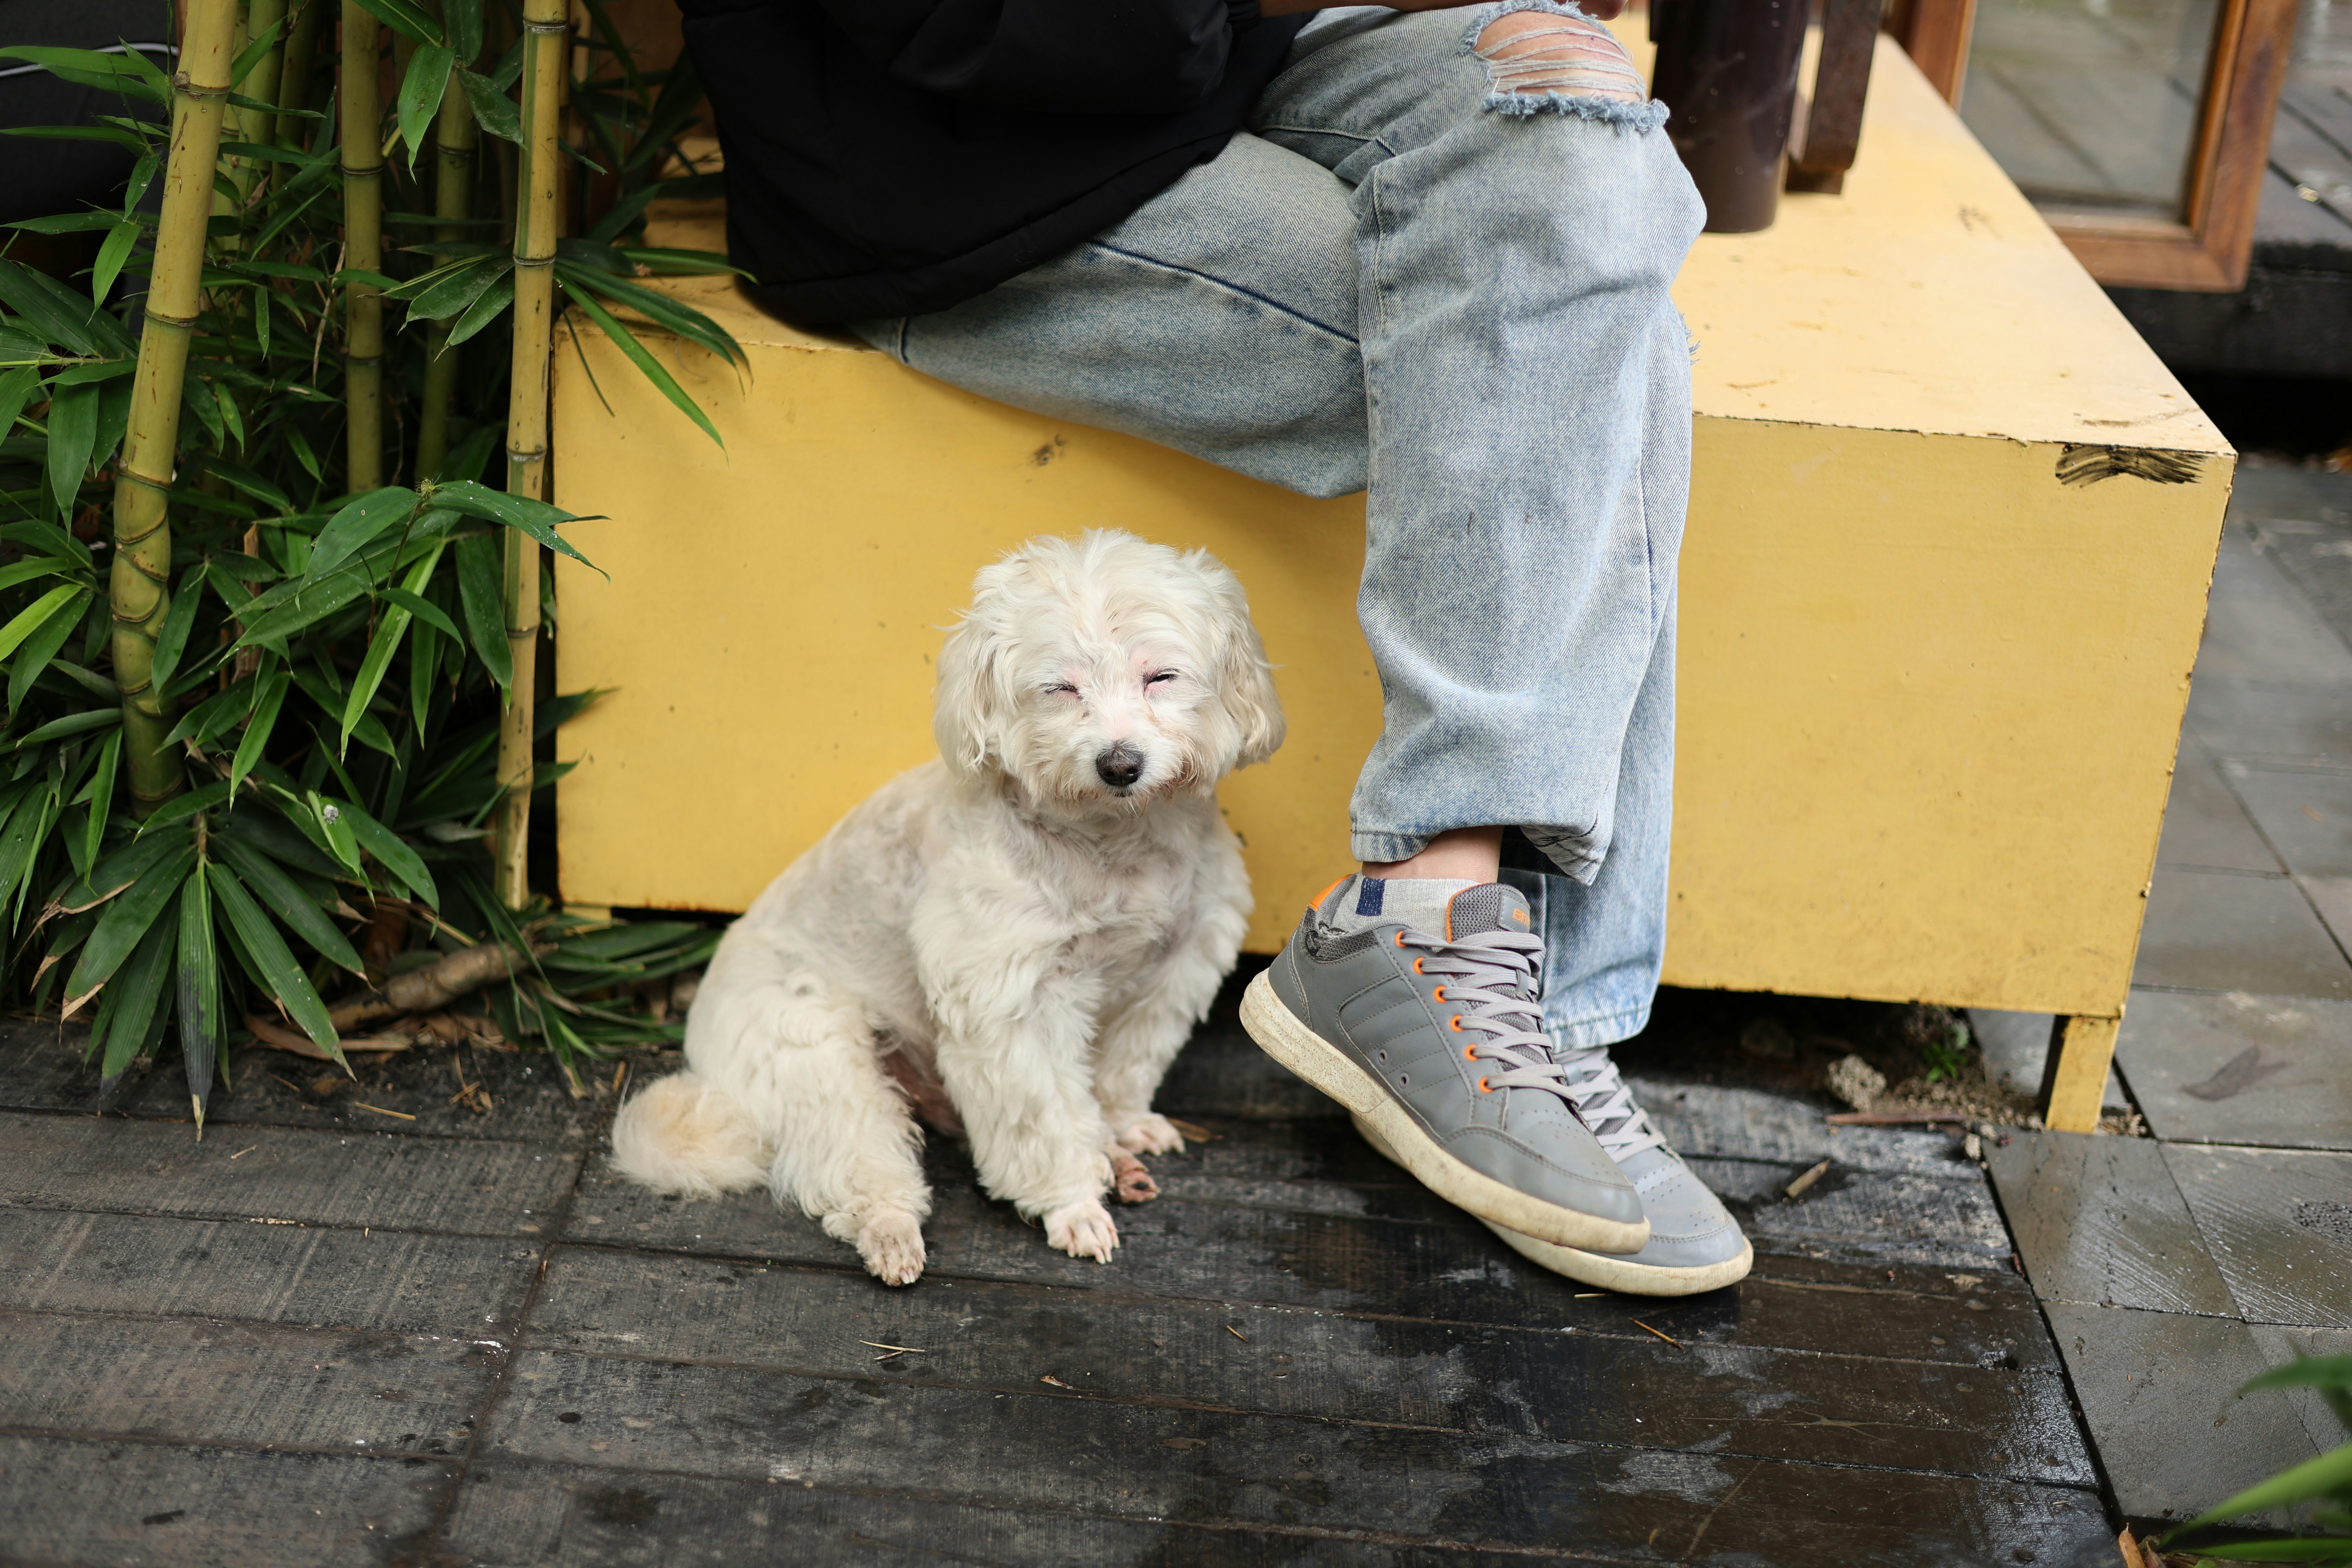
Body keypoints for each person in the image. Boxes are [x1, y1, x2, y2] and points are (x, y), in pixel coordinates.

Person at [679, 0, 1752, 1294]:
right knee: (1599, 351)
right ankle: (1467, 930)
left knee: (1570, 105)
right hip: (980, 143)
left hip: (1255, 54)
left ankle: (1515, 998)